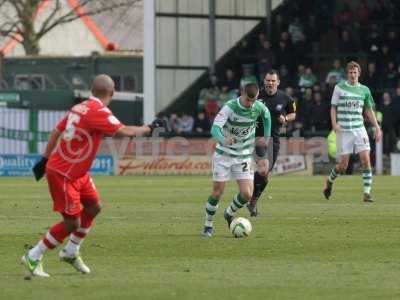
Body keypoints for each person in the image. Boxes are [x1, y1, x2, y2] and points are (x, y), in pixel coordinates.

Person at [23, 75, 165, 277]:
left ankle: (71, 251)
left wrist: (44, 159)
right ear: (112, 92)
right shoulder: (98, 111)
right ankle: (34, 255)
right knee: (72, 223)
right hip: (64, 174)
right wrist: (150, 128)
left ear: (91, 90)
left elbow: (57, 131)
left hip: (77, 173)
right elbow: (124, 131)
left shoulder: (79, 107)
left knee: (93, 207)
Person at [202, 83, 271, 237]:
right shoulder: (230, 107)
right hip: (224, 155)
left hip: (244, 155)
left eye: (253, 101)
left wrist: (265, 137)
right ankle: (208, 224)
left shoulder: (258, 107)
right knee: (218, 192)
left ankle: (228, 213)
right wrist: (223, 139)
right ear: (242, 94)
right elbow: (215, 129)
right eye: (248, 100)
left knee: (247, 194)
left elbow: (267, 117)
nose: (250, 104)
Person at [323, 61, 381, 203]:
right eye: (350, 72)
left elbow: (368, 110)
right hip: (344, 131)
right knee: (343, 166)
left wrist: (377, 127)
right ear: (347, 74)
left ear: (359, 73)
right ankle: (329, 182)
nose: (353, 75)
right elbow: (333, 108)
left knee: (366, 159)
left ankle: (366, 194)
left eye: (355, 72)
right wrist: (334, 123)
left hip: (359, 129)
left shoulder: (365, 90)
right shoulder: (339, 88)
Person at [247, 70, 296, 217]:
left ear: (278, 82)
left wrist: (286, 119)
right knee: (262, 170)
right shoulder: (256, 96)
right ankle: (249, 195)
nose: (270, 83)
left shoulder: (285, 98)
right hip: (255, 138)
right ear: (264, 82)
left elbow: (293, 113)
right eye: (268, 80)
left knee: (265, 175)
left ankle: (253, 200)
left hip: (273, 140)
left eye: (273, 81)